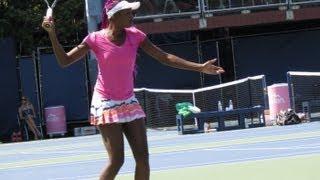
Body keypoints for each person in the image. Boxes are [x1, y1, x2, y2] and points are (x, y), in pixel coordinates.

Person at [42, 0, 224, 179]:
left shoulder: (136, 36)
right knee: (117, 160)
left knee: (143, 159)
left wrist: (199, 67)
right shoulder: (95, 39)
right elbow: (64, 61)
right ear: (114, 16)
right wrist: (52, 34)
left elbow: (165, 57)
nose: (132, 15)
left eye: (132, 12)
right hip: (105, 102)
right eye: (128, 12)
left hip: (129, 100)